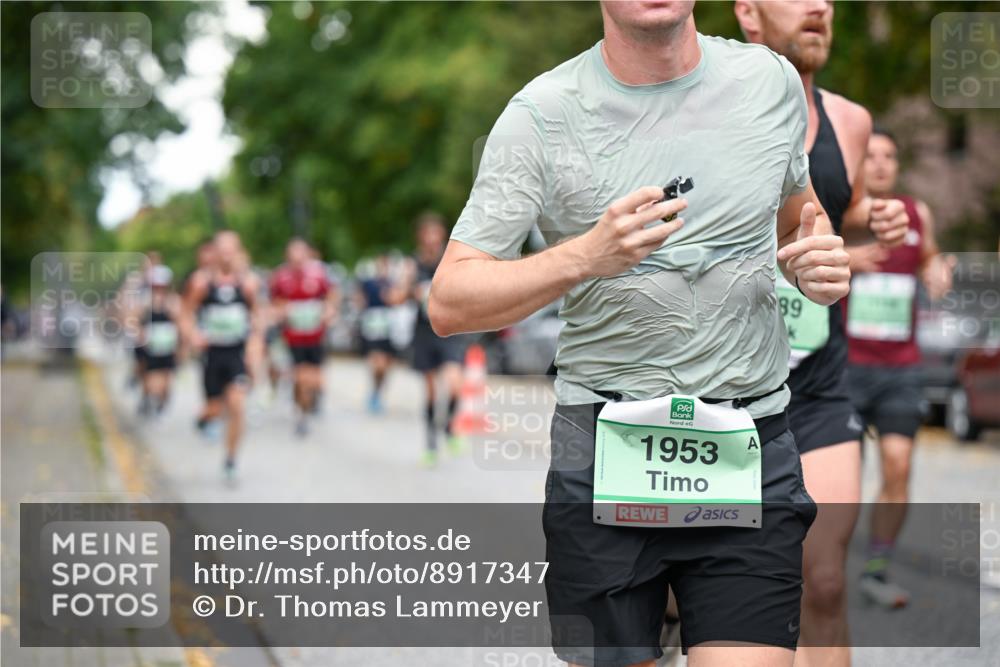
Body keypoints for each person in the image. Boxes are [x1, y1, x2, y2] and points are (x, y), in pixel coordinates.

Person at [429, 2, 853, 665]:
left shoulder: (767, 82)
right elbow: (449, 299)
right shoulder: (542, 114)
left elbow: (798, 215)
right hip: (602, 446)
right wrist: (585, 255)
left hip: (747, 442)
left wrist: (816, 256)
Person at [735, 2, 910, 664]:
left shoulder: (852, 120)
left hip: (816, 383)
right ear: (747, 12)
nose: (820, 6)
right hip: (721, 388)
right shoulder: (701, 106)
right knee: (697, 587)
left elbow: (848, 202)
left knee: (826, 581)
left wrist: (877, 218)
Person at [845, 127, 953, 608]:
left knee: (898, 465)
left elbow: (930, 259)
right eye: (872, 156)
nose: (882, 164)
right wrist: (852, 259)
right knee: (843, 480)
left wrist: (936, 271)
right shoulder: (844, 214)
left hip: (901, 367)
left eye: (890, 155)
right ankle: (821, 566)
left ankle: (876, 568)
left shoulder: (916, 212)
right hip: (845, 366)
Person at [182, 230, 261, 483]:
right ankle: (203, 418)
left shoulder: (247, 283)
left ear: (238, 251)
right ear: (214, 252)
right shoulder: (201, 283)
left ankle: (230, 460)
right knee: (214, 408)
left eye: (232, 248)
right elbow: (185, 314)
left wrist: (254, 346)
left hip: (236, 352)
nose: (227, 253)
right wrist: (193, 335)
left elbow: (257, 317)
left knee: (237, 405)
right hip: (212, 355)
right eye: (222, 248)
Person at [410, 214, 467, 467]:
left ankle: (450, 427)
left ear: (442, 235)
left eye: (435, 233)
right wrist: (409, 291)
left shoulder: (451, 260)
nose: (431, 239)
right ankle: (431, 442)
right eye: (427, 234)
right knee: (432, 391)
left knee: (455, 384)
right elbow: (398, 295)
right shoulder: (413, 264)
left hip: (449, 331)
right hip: (424, 332)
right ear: (421, 237)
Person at [269, 238, 338, 437]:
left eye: (301, 254)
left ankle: (309, 401)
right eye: (293, 255)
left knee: (315, 380)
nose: (297, 259)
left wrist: (328, 310)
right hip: (294, 337)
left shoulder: (318, 275)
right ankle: (301, 415)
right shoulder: (280, 277)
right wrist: (281, 311)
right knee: (301, 377)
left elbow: (332, 295)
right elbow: (274, 303)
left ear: (307, 254)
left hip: (315, 336)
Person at [356, 254, 406, 414]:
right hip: (372, 325)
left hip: (389, 326)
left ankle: (378, 392)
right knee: (377, 362)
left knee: (386, 365)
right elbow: (359, 297)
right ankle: (374, 392)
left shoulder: (393, 284)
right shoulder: (369, 283)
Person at [138, 265, 181, 417]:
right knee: (151, 381)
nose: (159, 289)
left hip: (168, 348)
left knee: (166, 381)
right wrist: (141, 335)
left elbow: (180, 323)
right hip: (150, 348)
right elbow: (135, 321)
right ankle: (149, 400)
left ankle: (161, 404)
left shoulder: (173, 301)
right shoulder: (144, 302)